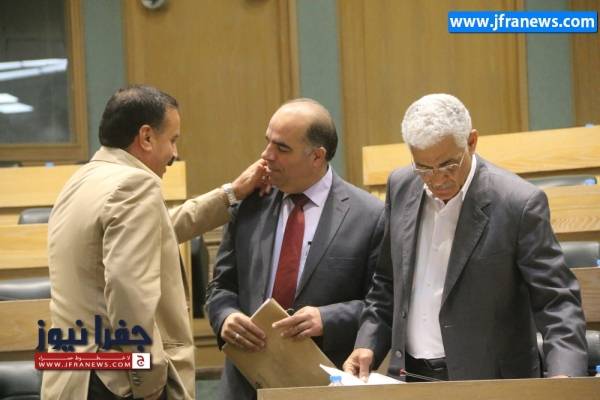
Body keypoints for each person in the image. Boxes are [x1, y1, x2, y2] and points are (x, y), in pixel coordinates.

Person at [41, 85, 269, 400]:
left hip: (72, 374)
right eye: (172, 140)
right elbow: (128, 289)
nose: (175, 153)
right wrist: (149, 378)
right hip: (115, 381)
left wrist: (231, 194)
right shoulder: (136, 184)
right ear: (146, 137)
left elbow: (157, 233)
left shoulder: (83, 180)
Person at [343, 93, 588, 382]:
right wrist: (368, 342)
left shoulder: (519, 203)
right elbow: (387, 282)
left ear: (471, 141)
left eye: (448, 165)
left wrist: (564, 376)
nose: (437, 180)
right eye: (423, 168)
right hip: (411, 376)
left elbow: (556, 301)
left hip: (492, 381)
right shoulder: (401, 186)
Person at [205, 98, 385, 399]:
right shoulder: (249, 204)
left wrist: (327, 318)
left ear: (317, 156)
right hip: (244, 385)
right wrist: (225, 317)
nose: (266, 155)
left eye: (282, 148)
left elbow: (381, 305)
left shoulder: (369, 215)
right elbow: (221, 286)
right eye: (267, 142)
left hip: (322, 385)